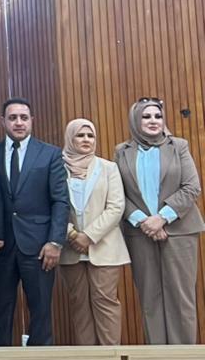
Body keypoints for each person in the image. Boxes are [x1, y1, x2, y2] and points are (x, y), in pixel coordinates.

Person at [115, 98, 203, 344]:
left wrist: (162, 218)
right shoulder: (121, 151)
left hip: (179, 231)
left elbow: (192, 187)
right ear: (135, 120)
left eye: (158, 116)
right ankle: (157, 356)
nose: (153, 121)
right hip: (140, 233)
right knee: (150, 298)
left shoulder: (179, 146)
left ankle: (182, 357)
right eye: (146, 116)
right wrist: (144, 222)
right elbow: (118, 193)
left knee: (181, 298)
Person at [0, 98, 69, 346]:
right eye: (12, 118)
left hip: (40, 246)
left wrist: (55, 242)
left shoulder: (50, 154)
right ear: (2, 121)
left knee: (41, 311)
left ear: (32, 120)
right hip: (0, 247)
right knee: (0, 311)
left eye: (24, 117)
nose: (19, 123)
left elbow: (60, 201)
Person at [58, 118, 127, 346]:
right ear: (70, 138)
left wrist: (88, 236)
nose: (86, 140)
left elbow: (116, 207)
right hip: (70, 248)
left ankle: (111, 356)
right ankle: (88, 359)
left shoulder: (108, 168)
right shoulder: (57, 167)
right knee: (79, 303)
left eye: (90, 136)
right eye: (80, 135)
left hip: (103, 245)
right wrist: (72, 234)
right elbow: (51, 205)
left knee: (105, 301)